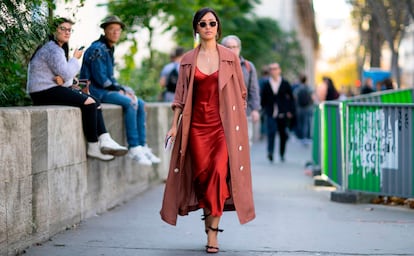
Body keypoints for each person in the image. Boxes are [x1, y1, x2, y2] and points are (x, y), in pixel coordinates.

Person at [159, 7, 255, 254]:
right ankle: (209, 223)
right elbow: (180, 96)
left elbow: (241, 93)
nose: (208, 27)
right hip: (196, 128)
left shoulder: (230, 58)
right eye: (203, 24)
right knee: (203, 179)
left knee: (217, 174)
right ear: (196, 28)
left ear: (218, 27)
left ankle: (213, 235)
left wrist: (238, 122)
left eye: (212, 23)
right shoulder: (188, 59)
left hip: (223, 129)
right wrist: (173, 126)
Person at [27, 17, 128, 161]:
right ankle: (94, 146)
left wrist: (65, 78)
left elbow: (67, 78)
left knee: (95, 101)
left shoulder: (56, 48)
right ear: (54, 30)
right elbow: (68, 74)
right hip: (43, 91)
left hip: (48, 90)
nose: (67, 32)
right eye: (63, 29)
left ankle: (105, 139)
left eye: (69, 30)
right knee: (89, 102)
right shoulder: (52, 48)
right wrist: (74, 59)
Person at [80, 15, 160, 166]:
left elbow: (110, 78)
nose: (116, 33)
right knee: (130, 102)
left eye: (118, 30)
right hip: (95, 91)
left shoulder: (108, 48)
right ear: (105, 31)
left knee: (140, 103)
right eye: (112, 29)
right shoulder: (98, 49)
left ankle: (142, 146)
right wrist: (119, 90)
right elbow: (101, 79)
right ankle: (134, 147)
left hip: (104, 89)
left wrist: (123, 89)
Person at [221, 35, 261, 145]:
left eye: (234, 47)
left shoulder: (248, 66)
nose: (232, 50)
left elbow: (254, 89)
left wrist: (255, 110)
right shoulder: (218, 66)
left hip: (244, 113)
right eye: (228, 47)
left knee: (245, 144)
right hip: (224, 114)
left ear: (239, 48)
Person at [260, 62, 296, 163]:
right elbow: (263, 99)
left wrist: (290, 111)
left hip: (283, 113)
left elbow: (291, 98)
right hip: (270, 112)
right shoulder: (266, 84)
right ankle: (270, 152)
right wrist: (261, 109)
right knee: (271, 132)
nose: (273, 71)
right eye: (271, 69)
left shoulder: (285, 83)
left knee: (282, 134)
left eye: (275, 68)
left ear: (279, 70)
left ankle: (282, 154)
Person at [293, 74, 313, 144]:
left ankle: (301, 137)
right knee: (306, 122)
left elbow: (295, 97)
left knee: (300, 122)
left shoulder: (297, 89)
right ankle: (306, 137)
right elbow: (312, 97)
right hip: (307, 107)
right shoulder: (309, 88)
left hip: (299, 107)